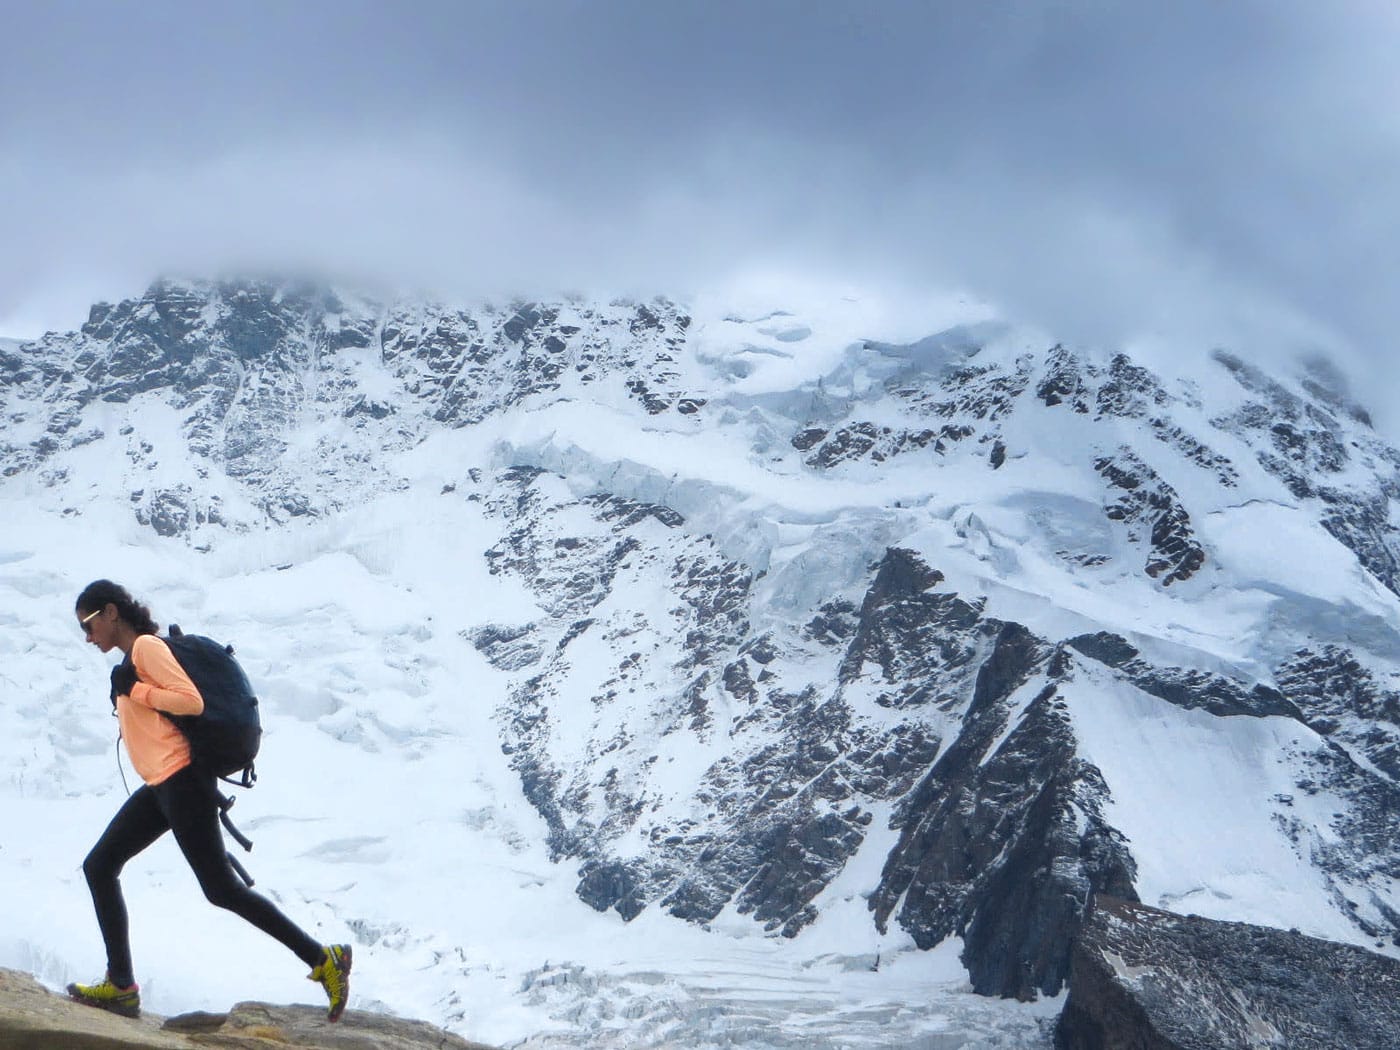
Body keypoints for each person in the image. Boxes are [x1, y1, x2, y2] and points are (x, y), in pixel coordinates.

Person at [66, 579, 352, 1021]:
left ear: (110, 613)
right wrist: (131, 687)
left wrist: (135, 690)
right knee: (100, 866)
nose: (88, 637)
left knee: (221, 890)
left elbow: (191, 703)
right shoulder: (131, 660)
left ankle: (323, 958)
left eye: (88, 624)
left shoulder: (145, 649)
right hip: (163, 786)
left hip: (182, 781)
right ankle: (121, 986)